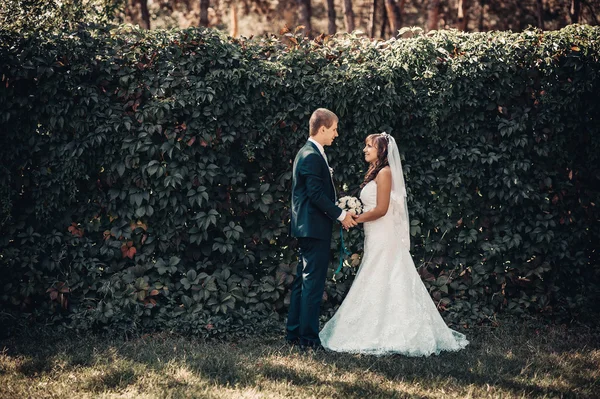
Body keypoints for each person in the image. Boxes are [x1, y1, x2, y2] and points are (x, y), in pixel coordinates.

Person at [319, 132, 469, 356]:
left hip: (384, 235)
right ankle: (375, 327)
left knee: (383, 275)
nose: (365, 150)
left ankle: (394, 332)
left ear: (381, 151)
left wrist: (353, 218)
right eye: (365, 146)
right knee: (377, 276)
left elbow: (381, 210)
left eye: (369, 146)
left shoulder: (386, 172)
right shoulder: (376, 173)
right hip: (375, 234)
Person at [286, 108, 357, 350]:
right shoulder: (311, 156)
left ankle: (294, 334)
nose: (336, 134)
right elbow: (315, 195)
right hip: (313, 228)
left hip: (308, 227)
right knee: (312, 285)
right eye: (334, 129)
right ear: (323, 128)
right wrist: (341, 215)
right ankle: (308, 339)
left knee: (302, 283)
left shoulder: (311, 153)